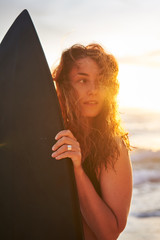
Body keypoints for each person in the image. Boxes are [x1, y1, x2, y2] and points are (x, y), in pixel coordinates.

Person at [51, 44, 132, 240]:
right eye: (82, 80)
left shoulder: (113, 147)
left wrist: (77, 170)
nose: (94, 90)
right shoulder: (51, 137)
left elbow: (109, 233)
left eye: (100, 81)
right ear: (65, 86)